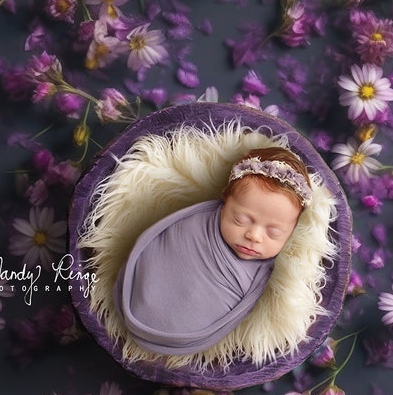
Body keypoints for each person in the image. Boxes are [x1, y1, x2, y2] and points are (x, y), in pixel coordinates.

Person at [112, 146, 313, 356]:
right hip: (138, 298)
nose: (254, 236)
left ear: (291, 232)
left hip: (188, 334)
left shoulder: (275, 275)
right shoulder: (192, 226)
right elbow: (161, 251)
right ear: (225, 202)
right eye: (240, 219)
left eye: (274, 232)